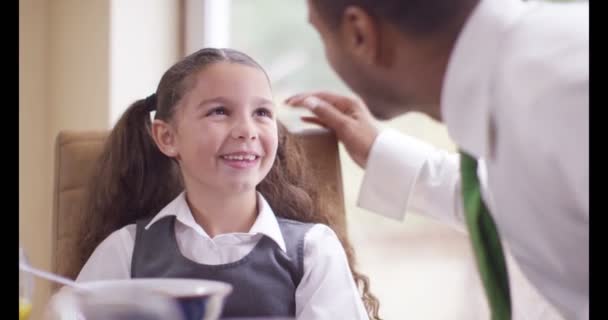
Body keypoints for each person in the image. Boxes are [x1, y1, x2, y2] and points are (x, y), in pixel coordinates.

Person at [285, 0, 588, 319]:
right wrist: (381, 152)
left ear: (359, 33)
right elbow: (530, 200)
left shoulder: (569, 91)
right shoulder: (532, 77)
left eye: (321, 36)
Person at [74, 47, 380, 320]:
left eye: (261, 112)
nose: (247, 130)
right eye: (219, 111)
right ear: (167, 137)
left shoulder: (314, 250)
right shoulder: (125, 250)